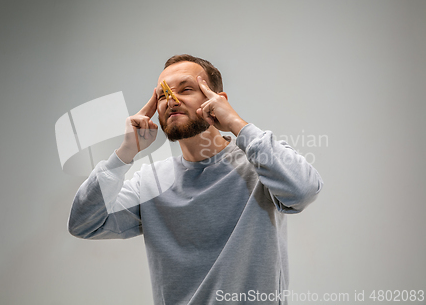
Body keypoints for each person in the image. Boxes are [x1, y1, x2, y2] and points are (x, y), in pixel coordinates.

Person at [68, 54, 323, 305]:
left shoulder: (261, 165)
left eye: (186, 89)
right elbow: (84, 223)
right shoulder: (151, 182)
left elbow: (304, 190)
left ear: (216, 100)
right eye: (163, 94)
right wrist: (124, 154)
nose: (172, 99)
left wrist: (235, 122)